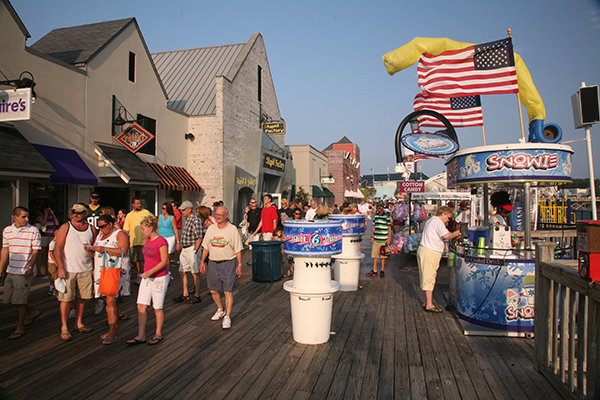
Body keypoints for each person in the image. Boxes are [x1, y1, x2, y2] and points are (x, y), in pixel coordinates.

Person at [54, 203, 97, 341]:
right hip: (69, 269)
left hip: (86, 268)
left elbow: (95, 249)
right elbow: (58, 248)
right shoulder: (65, 227)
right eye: (73, 212)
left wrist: (95, 267)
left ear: (86, 213)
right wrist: (60, 267)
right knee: (66, 299)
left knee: (82, 297)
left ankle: (78, 322)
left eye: (78, 212)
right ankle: (64, 327)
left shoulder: (91, 228)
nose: (75, 215)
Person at [126, 215, 170, 346]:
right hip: (147, 276)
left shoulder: (161, 241)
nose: (141, 231)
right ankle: (141, 335)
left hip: (159, 277)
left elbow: (164, 261)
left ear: (150, 228)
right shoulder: (148, 239)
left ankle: (158, 333)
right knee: (141, 305)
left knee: (157, 306)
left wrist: (149, 272)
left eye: (143, 229)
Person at [1, 206, 43, 340]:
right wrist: (1, 268)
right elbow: (5, 250)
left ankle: (19, 328)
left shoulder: (33, 231)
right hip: (11, 269)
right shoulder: (7, 231)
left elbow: (36, 251)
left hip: (24, 271)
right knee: (11, 299)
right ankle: (32, 311)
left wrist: (30, 267)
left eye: (27, 217)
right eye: (23, 217)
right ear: (15, 217)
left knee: (19, 301)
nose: (26, 219)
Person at [199, 206, 243, 329]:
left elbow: (238, 249)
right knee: (213, 289)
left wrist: (240, 265)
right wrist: (202, 261)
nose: (217, 217)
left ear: (226, 216)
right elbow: (206, 246)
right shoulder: (211, 229)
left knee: (227, 291)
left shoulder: (232, 229)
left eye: (220, 215)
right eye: (216, 214)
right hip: (213, 262)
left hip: (228, 262)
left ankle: (227, 316)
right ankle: (220, 309)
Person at [92, 214, 130, 344]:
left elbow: (123, 251)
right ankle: (115, 328)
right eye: (99, 226)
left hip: (114, 271)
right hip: (101, 271)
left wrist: (104, 249)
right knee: (111, 300)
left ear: (110, 224)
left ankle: (112, 331)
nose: (100, 229)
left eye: (102, 226)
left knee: (110, 301)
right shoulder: (100, 235)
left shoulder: (120, 234)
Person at [417, 206, 461, 312]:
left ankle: (426, 301)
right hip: (430, 251)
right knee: (429, 277)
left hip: (425, 250)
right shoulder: (438, 222)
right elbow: (446, 236)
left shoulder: (431, 220)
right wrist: (456, 233)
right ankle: (429, 304)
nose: (448, 220)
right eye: (448, 217)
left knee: (425, 276)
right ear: (443, 214)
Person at [175, 200, 203, 304]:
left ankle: (197, 294)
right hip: (185, 248)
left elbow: (199, 237)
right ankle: (185, 293)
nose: (182, 211)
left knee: (194, 272)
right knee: (182, 271)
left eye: (183, 210)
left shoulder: (195, 220)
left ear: (189, 209)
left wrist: (195, 250)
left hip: (192, 248)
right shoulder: (187, 219)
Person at [123, 198, 151, 284]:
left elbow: (152, 224)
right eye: (137, 204)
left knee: (142, 259)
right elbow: (126, 229)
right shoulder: (129, 215)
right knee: (134, 259)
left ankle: (141, 275)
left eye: (140, 203)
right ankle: (138, 273)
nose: (139, 205)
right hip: (133, 240)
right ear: (133, 204)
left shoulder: (146, 213)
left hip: (144, 240)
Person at [366, 203, 392, 278]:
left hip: (383, 238)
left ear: (383, 208)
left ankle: (382, 270)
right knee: (375, 255)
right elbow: (374, 226)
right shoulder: (375, 216)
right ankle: (375, 270)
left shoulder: (387, 216)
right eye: (377, 208)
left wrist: (389, 238)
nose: (378, 209)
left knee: (383, 255)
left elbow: (389, 227)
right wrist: (372, 236)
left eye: (379, 208)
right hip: (376, 238)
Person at [35, 203, 58, 277]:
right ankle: (38, 271)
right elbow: (43, 223)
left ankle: (47, 270)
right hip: (43, 236)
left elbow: (57, 223)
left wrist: (53, 214)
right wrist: (46, 215)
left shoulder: (51, 215)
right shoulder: (40, 216)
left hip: (50, 236)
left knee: (47, 254)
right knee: (41, 254)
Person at [245, 198, 262, 265]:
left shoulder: (259, 210)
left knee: (257, 246)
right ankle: (253, 259)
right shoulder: (249, 212)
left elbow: (261, 221)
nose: (254, 203)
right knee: (251, 247)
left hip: (257, 231)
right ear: (250, 203)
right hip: (251, 231)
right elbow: (248, 222)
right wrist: (247, 231)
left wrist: (257, 230)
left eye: (255, 202)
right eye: (252, 202)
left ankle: (258, 260)